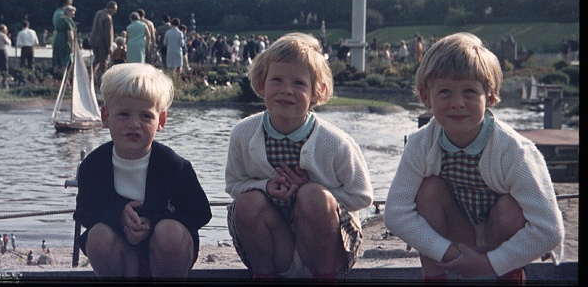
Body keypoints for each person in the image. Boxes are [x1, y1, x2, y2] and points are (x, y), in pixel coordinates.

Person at [384, 32, 564, 282]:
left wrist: (489, 263)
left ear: (489, 96)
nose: (457, 103)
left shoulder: (514, 151)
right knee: (428, 190)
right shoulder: (420, 144)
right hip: (454, 236)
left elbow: (549, 229)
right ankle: (435, 279)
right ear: (426, 97)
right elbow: (395, 213)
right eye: (445, 92)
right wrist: (444, 252)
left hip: (501, 237)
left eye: (469, 92)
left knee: (511, 208)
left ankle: (509, 276)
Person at [225, 33, 373, 280]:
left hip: (326, 246)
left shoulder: (335, 142)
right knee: (246, 202)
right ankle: (264, 275)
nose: (286, 90)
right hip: (274, 242)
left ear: (317, 92)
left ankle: (324, 277)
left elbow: (362, 196)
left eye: (299, 84)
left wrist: (312, 188)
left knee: (313, 196)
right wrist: (265, 187)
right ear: (261, 85)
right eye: (277, 80)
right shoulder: (243, 133)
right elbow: (234, 184)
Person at [74, 63, 212, 278]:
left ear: (161, 120)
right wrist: (118, 214)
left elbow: (200, 212)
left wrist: (154, 221)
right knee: (97, 235)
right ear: (105, 116)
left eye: (146, 116)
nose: (134, 124)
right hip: (119, 250)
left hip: (167, 253)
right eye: (124, 115)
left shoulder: (174, 165)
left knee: (170, 232)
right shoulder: (93, 166)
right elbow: (84, 212)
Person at [90, 1, 118, 82]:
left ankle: (89, 76)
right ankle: (103, 81)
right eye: (114, 10)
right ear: (110, 8)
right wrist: (109, 46)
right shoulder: (107, 18)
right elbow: (108, 33)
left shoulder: (98, 13)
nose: (115, 12)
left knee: (96, 60)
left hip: (94, 41)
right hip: (103, 43)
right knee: (104, 63)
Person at [53, 5, 77, 77]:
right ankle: (64, 78)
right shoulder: (68, 21)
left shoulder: (59, 20)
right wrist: (72, 45)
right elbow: (70, 34)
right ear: (68, 12)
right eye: (73, 12)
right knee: (65, 61)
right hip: (64, 41)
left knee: (57, 61)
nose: (74, 14)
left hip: (57, 40)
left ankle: (55, 78)